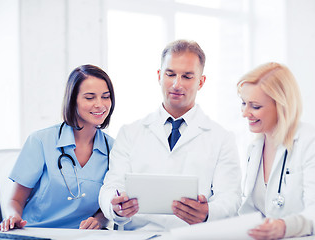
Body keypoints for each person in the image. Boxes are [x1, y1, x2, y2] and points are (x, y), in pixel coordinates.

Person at [99, 39, 241, 231]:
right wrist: (114, 207)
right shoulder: (130, 133)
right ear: (159, 76)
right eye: (170, 74)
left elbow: (231, 198)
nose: (176, 84)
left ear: (201, 82)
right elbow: (111, 187)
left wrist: (207, 213)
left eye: (187, 76)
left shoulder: (222, 138)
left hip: (194, 235)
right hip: (140, 236)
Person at [0, 64, 115, 231]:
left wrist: (100, 220)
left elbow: (110, 203)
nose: (100, 105)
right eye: (90, 98)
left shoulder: (114, 149)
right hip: (36, 232)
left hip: (84, 236)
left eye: (105, 96)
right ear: (72, 99)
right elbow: (15, 201)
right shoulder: (40, 141)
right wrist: (13, 216)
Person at [237, 62, 315, 239]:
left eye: (255, 106)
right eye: (243, 103)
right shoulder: (254, 148)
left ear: (281, 106)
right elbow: (253, 210)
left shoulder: (311, 142)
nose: (245, 113)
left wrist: (284, 227)